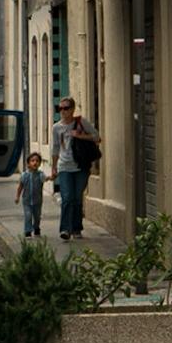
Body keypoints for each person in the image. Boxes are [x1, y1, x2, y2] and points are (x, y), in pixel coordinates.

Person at [50, 96, 100, 241]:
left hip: (81, 166)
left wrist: (80, 135)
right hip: (64, 167)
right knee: (67, 198)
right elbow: (55, 148)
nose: (63, 111)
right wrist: (54, 167)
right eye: (60, 108)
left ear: (72, 109)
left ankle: (76, 228)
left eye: (66, 108)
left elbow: (97, 137)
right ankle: (65, 229)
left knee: (77, 198)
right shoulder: (56, 127)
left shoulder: (81, 122)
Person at [15, 151, 46, 239]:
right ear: (28, 163)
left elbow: (46, 179)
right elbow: (20, 187)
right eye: (32, 161)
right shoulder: (24, 175)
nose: (35, 162)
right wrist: (17, 197)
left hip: (37, 201)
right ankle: (28, 231)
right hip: (27, 201)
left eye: (37, 161)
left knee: (37, 217)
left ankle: (36, 228)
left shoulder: (40, 175)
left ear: (40, 163)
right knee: (28, 215)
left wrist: (52, 177)